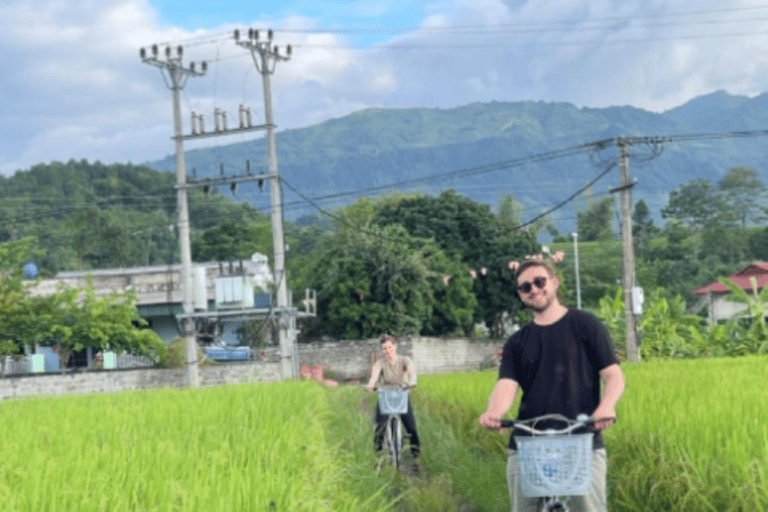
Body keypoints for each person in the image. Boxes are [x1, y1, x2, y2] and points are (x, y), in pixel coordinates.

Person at [479, 258, 625, 512]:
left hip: (581, 439)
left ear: (554, 283)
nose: (534, 289)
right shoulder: (517, 342)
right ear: (521, 295)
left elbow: (613, 375)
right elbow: (506, 384)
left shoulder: (586, 325)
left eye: (539, 282)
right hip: (528, 442)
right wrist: (494, 412)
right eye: (526, 287)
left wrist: (606, 407)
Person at [366, 334, 421, 471]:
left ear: (395, 346)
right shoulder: (380, 363)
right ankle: (378, 459)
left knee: (411, 428)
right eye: (384, 348)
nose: (388, 351)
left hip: (401, 394)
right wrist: (371, 385)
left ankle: (416, 458)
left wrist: (412, 381)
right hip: (385, 395)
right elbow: (374, 375)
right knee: (379, 428)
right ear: (382, 350)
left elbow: (411, 371)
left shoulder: (404, 360)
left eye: (390, 347)